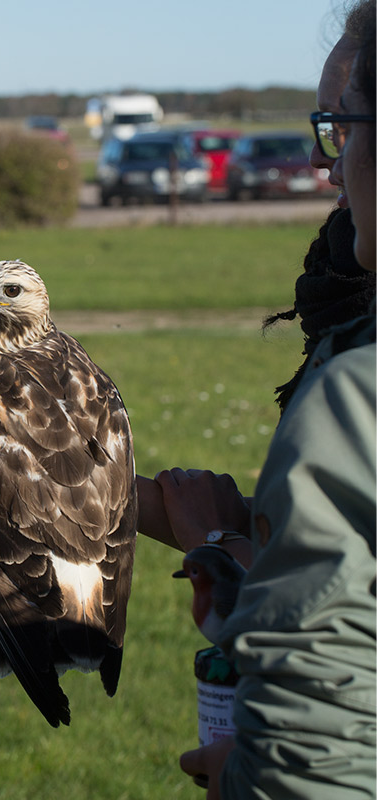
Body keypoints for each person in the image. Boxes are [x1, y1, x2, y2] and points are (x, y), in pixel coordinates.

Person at [178, 3, 376, 796]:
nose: (331, 163)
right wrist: (248, 555)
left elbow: (314, 768)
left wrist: (240, 777)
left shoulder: (358, 402)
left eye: (343, 123)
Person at [136, 0, 376, 566]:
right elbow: (331, 543)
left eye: (342, 125)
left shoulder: (363, 370)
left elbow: (321, 632)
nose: (322, 158)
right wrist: (89, 493)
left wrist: (216, 545)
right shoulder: (346, 297)